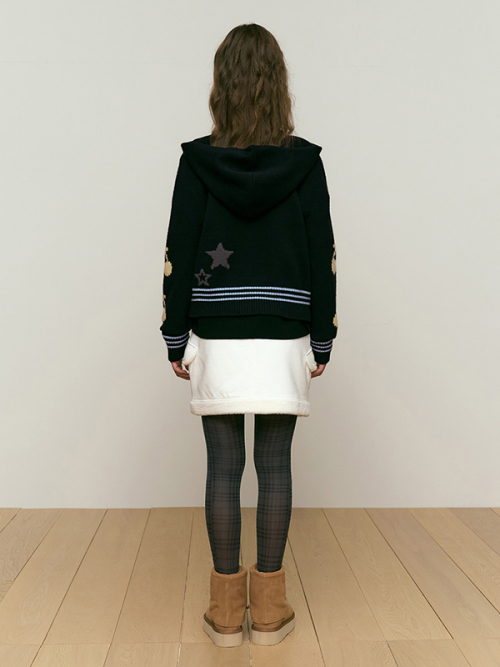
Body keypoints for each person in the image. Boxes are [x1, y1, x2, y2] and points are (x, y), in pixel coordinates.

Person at [159, 23, 338, 648]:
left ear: (221, 86)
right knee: (275, 464)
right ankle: (270, 612)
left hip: (218, 331)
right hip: (284, 332)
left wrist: (174, 335)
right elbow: (323, 253)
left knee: (223, 467)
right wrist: (322, 337)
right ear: (279, 85)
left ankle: (225, 615)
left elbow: (179, 251)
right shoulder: (306, 163)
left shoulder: (196, 162)